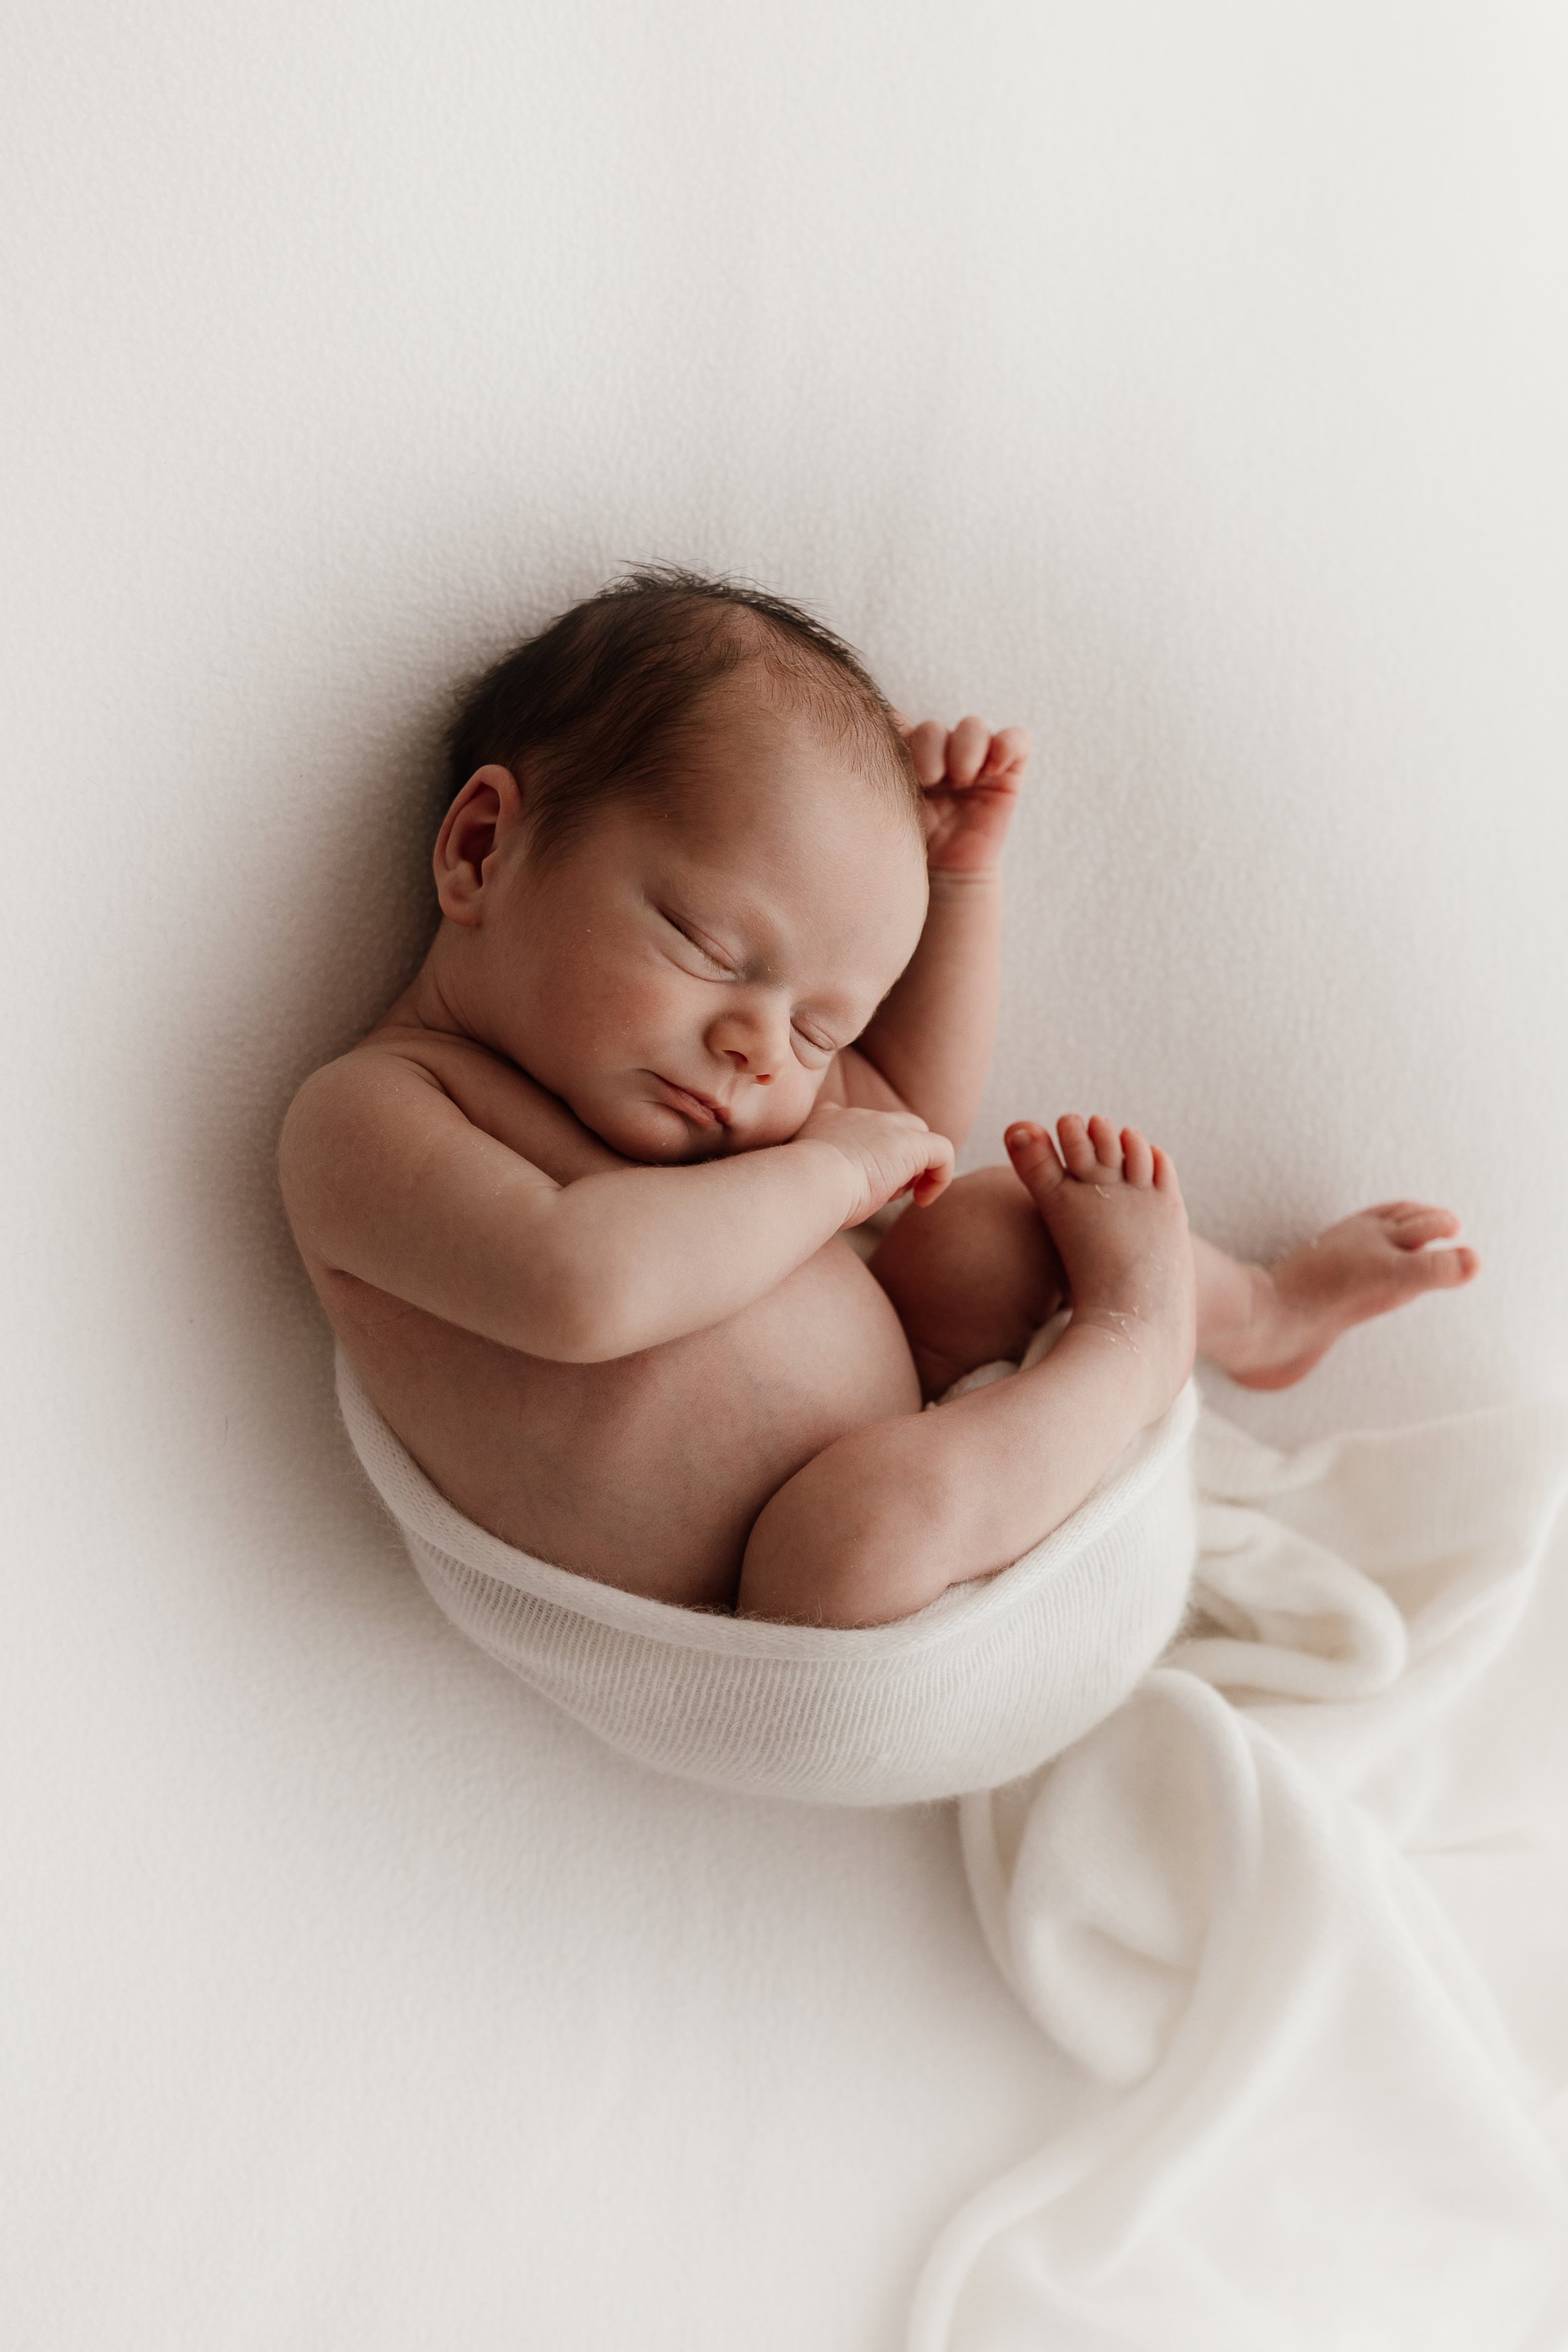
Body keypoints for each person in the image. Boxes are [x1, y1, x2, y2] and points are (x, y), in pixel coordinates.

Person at [279, 571, 1476, 1626]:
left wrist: (959, 882)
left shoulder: (720, 1107)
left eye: (819, 1028)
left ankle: (1260, 1315)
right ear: (484, 847)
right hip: (796, 1604)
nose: (761, 1050)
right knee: (850, 1533)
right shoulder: (372, 1117)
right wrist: (830, 1173)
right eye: (710, 944)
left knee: (1008, 1217)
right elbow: (580, 1286)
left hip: (931, 1408)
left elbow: (905, 1111)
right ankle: (1134, 1340)